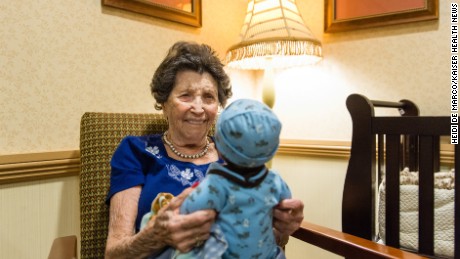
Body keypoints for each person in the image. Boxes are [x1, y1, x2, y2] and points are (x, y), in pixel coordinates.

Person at [104, 41, 304, 258]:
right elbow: (114, 253)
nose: (198, 108)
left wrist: (282, 228)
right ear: (164, 102)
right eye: (186, 95)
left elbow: (263, 236)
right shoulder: (136, 151)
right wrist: (156, 236)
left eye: (208, 97)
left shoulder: (238, 154)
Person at [177, 98, 291, 259]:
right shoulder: (275, 180)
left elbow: (188, 210)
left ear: (220, 149)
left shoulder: (216, 184)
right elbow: (286, 205)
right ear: (271, 149)